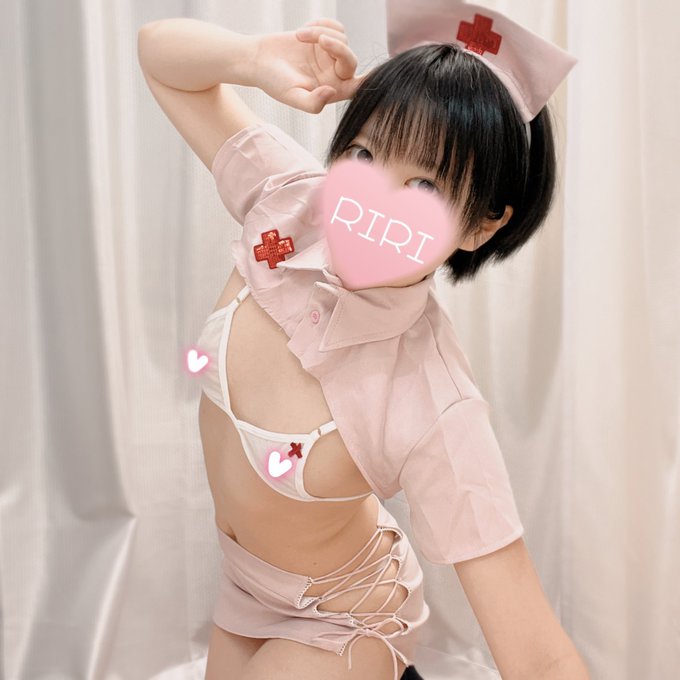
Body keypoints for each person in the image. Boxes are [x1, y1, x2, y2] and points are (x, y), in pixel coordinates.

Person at [138, 4, 590, 679]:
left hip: (346, 618)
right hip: (243, 592)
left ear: (482, 224)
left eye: (424, 183)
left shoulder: (433, 398)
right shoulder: (288, 202)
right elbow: (159, 55)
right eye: (364, 153)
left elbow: (539, 656)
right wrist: (253, 60)